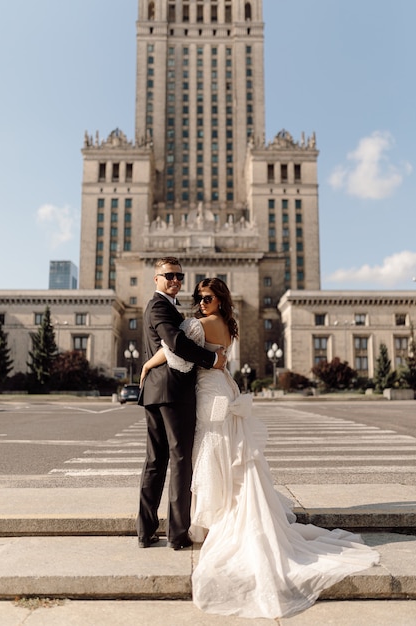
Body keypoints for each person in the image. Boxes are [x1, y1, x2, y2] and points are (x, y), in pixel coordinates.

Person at [140, 277, 380, 619]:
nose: (202, 301)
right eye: (199, 297)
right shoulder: (228, 326)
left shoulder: (199, 324)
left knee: (212, 451)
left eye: (207, 297)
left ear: (220, 299)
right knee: (230, 452)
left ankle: (218, 517)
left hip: (209, 394)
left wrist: (147, 365)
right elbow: (214, 356)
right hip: (225, 388)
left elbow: (175, 350)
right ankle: (225, 511)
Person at [137, 257, 226, 551]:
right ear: (156, 279)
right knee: (179, 461)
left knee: (156, 461)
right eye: (169, 275)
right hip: (173, 393)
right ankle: (176, 534)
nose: (175, 280)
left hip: (156, 392)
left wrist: (148, 364)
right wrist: (212, 360)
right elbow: (175, 343)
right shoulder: (159, 306)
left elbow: (168, 345)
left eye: (179, 276)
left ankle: (146, 531)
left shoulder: (167, 307)